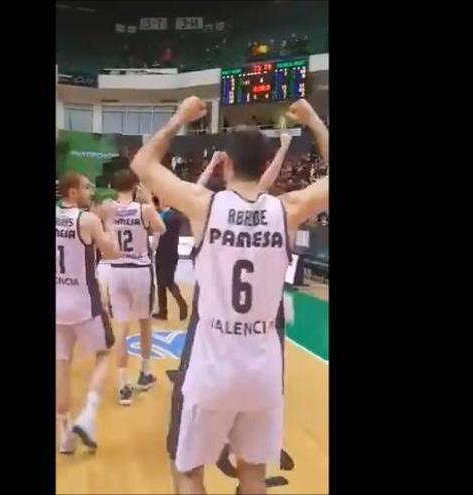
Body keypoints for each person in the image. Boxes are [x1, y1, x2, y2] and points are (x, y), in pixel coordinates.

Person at [130, 96, 329, 494]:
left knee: (188, 473)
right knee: (253, 474)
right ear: (266, 164)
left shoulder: (205, 205)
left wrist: (179, 119)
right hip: (263, 370)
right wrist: (315, 123)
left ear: (225, 164)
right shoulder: (288, 208)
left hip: (211, 369)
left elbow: (142, 165)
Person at [55, 171, 121, 454]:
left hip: (57, 302)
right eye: (85, 186)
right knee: (105, 353)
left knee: (62, 367)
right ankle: (88, 415)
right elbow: (113, 253)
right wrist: (110, 221)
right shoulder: (89, 220)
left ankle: (64, 437)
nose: (90, 190)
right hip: (84, 303)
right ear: (72, 192)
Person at [103, 169, 166, 406]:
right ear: (136, 185)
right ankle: (145, 372)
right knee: (145, 323)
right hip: (140, 270)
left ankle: (122, 386)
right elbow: (161, 228)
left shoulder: (108, 209)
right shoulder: (144, 209)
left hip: (117, 270)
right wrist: (148, 200)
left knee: (121, 329)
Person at [196, 132, 292, 193]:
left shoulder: (215, 202)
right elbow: (264, 183)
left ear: (230, 165)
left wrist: (212, 164)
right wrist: (283, 148)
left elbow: (196, 190)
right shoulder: (269, 204)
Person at [151, 195, 189, 322]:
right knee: (167, 282)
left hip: (162, 253)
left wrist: (152, 249)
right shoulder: (177, 217)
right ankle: (165, 310)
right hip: (173, 252)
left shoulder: (161, 217)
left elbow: (156, 236)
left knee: (165, 283)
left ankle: (170, 308)